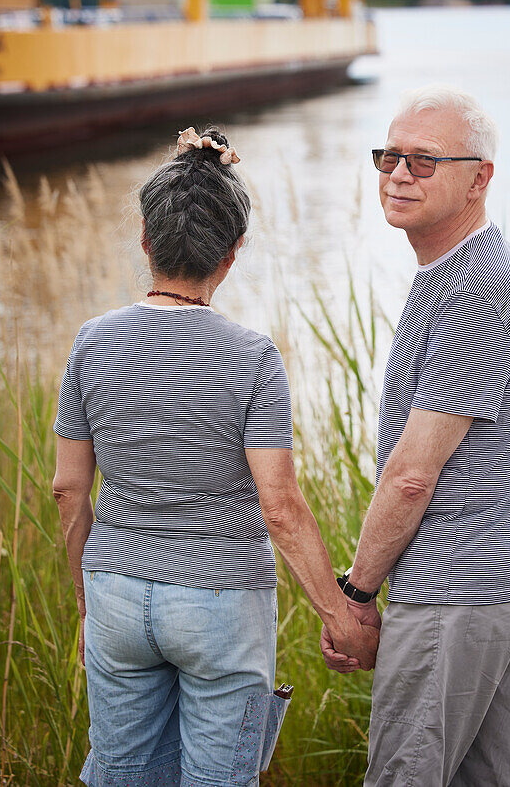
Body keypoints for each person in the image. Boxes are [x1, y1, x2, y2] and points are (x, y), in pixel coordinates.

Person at [52, 126, 377, 787]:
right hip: (221, 603)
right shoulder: (253, 359)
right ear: (234, 252)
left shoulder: (91, 343)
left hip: (114, 592)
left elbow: (68, 490)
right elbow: (279, 507)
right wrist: (340, 616)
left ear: (145, 238)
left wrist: (90, 603)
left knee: (121, 773)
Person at [321, 84, 510, 786]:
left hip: (460, 588)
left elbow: (412, 474)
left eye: (424, 161)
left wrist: (357, 595)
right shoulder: (450, 270)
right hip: (494, 576)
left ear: (479, 177)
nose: (398, 173)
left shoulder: (476, 287)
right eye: (389, 156)